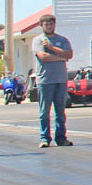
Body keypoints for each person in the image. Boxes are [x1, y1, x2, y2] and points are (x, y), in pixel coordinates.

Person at [32, 13, 74, 148]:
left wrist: (52, 48)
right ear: (41, 26)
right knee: (44, 111)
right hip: (45, 80)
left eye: (51, 24)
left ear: (54, 25)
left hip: (61, 79)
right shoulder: (38, 40)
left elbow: (69, 54)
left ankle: (61, 138)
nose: (49, 26)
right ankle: (44, 138)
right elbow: (43, 56)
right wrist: (61, 57)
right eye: (46, 24)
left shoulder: (62, 40)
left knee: (60, 111)